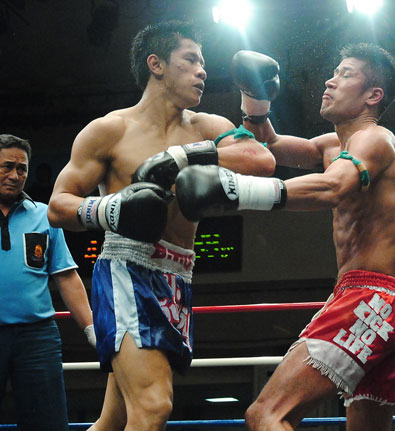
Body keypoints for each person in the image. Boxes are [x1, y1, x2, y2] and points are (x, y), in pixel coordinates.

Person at [47, 20, 275, 431]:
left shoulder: (208, 127)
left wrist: (182, 156)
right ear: (156, 64)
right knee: (153, 407)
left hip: (178, 275)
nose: (202, 71)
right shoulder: (110, 130)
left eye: (204, 63)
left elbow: (261, 160)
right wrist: (113, 209)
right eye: (191, 60)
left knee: (113, 420)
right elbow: (58, 206)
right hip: (126, 270)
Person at [174, 43, 395, 431]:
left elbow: (332, 188)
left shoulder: (375, 139)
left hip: (367, 299)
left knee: (266, 414)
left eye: (346, 74)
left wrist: (236, 191)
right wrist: (255, 97)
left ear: (373, 95)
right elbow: (267, 147)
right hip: (381, 305)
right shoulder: (332, 145)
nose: (330, 81)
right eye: (334, 72)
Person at [0, 134, 95, 431]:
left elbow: (65, 275)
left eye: (22, 169)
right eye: (7, 166)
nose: (15, 175)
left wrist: (91, 328)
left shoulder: (44, 215)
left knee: (47, 423)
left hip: (36, 337)